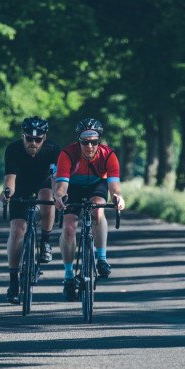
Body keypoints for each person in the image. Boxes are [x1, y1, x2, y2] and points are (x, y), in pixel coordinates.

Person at [53, 117, 126, 301]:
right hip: (74, 188)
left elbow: (114, 186)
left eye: (94, 142)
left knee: (97, 211)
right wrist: (59, 196)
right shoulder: (67, 154)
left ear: (99, 141)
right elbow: (61, 184)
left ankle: (101, 258)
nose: (90, 146)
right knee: (69, 228)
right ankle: (69, 276)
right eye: (85, 141)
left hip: (96, 185)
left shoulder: (109, 155)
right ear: (79, 141)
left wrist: (118, 197)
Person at [0, 116, 60, 304]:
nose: (33, 143)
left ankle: (45, 242)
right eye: (29, 139)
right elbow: (10, 178)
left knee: (47, 197)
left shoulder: (53, 150)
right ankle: (13, 282)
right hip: (21, 186)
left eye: (38, 140)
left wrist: (59, 195)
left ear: (44, 138)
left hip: (43, 183)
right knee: (17, 230)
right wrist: (8, 193)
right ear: (22, 136)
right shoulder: (13, 149)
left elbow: (55, 178)